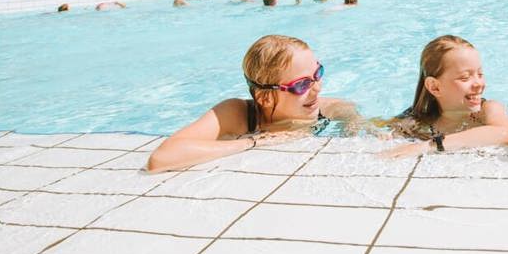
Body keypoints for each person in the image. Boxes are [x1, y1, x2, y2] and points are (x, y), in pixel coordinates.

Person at [146, 35, 359, 172]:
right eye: (302, 85)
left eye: (318, 73)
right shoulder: (237, 115)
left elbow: (352, 116)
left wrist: (354, 129)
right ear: (265, 97)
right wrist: (255, 142)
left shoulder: (327, 110)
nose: (317, 88)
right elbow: (161, 158)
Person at [383, 35, 508, 157]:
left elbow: (504, 133)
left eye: (480, 74)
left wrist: (428, 146)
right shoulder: (416, 123)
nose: (479, 84)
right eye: (465, 77)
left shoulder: (488, 110)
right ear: (435, 87)